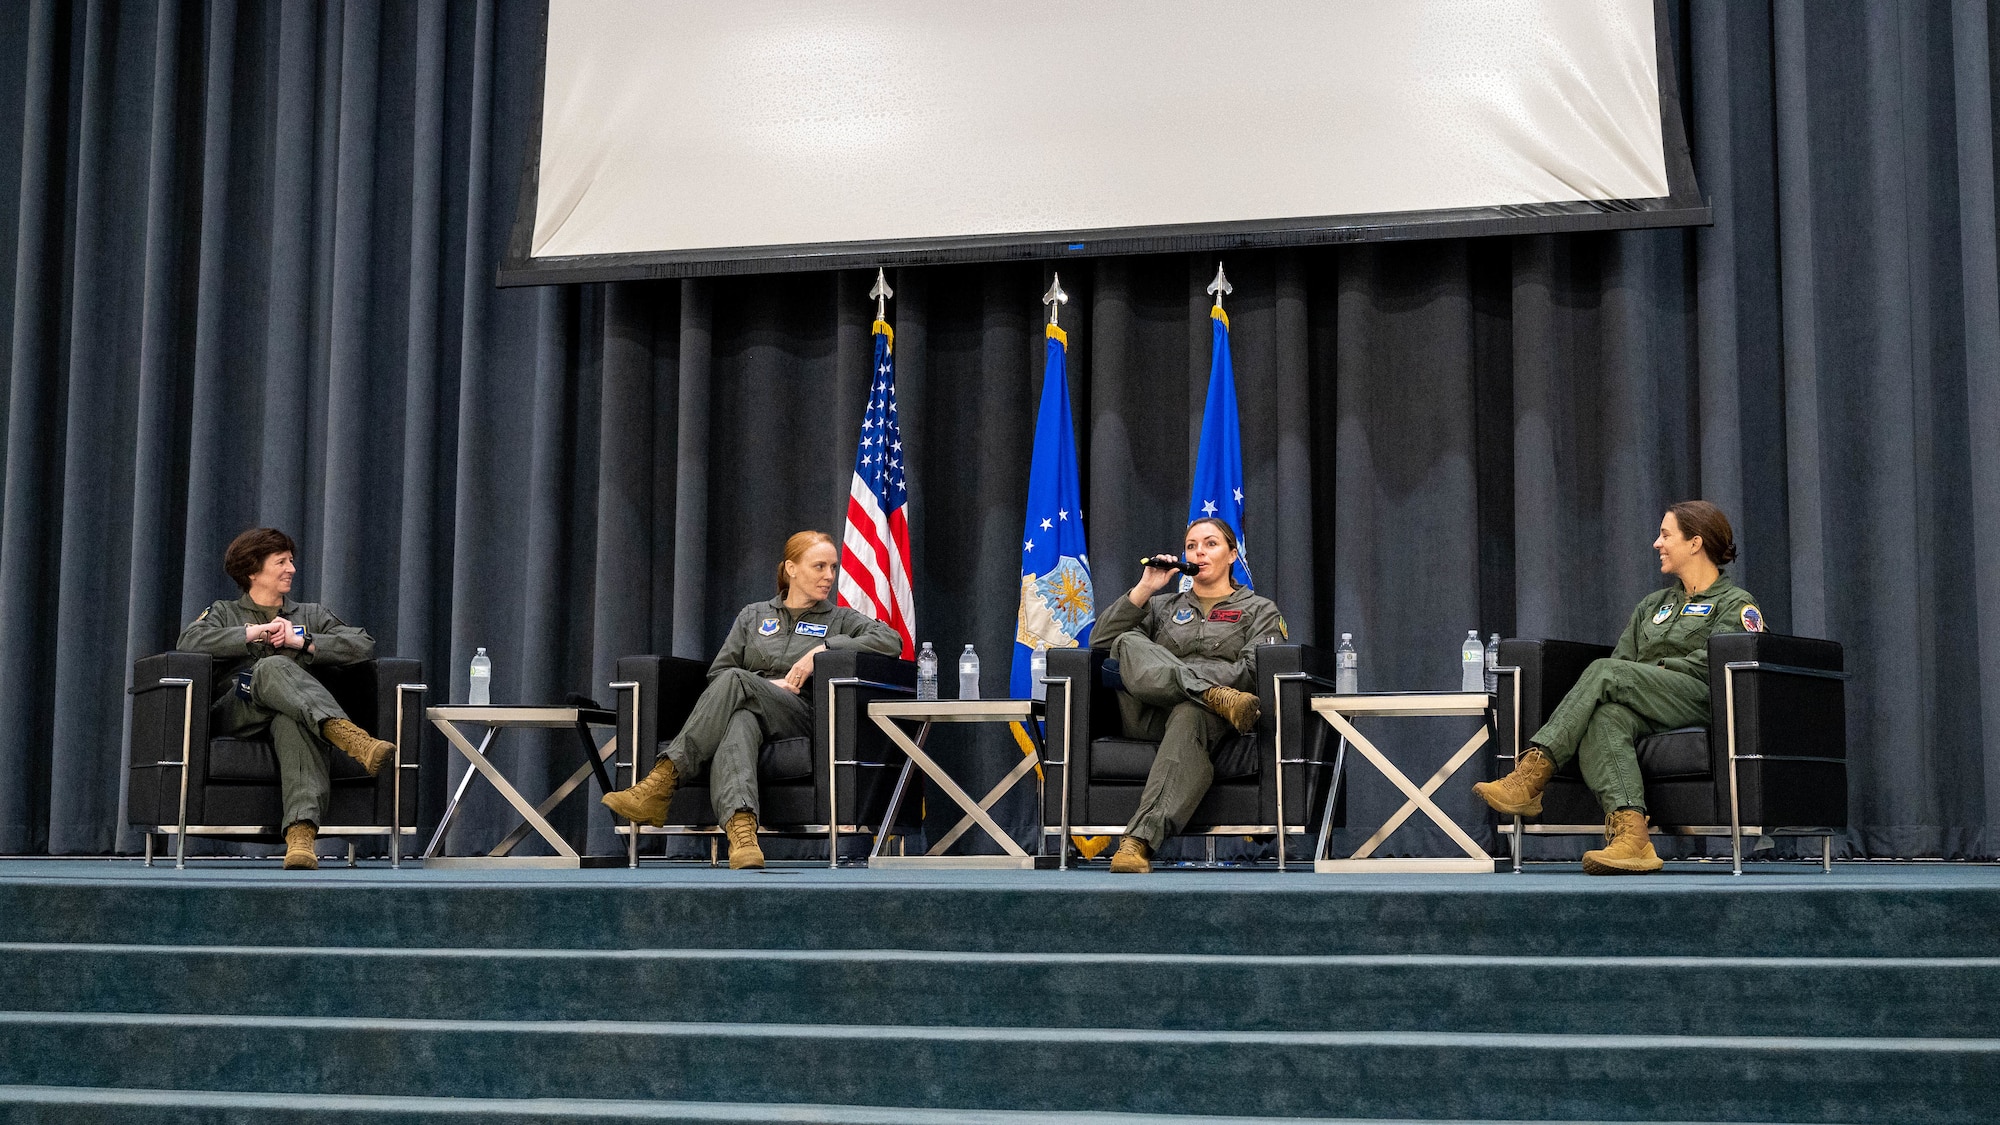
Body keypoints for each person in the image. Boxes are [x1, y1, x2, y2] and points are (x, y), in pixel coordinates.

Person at [1474, 500, 1764, 875]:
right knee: (1605, 717)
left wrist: (1649, 671)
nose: (1656, 544)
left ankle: (1532, 774)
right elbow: (1622, 660)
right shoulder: (1651, 606)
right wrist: (1635, 676)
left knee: (1605, 674)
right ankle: (1633, 837)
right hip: (1643, 699)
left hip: (1699, 698)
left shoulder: (1736, 604)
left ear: (1695, 543)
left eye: (1665, 535)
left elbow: (1716, 666)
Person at [602, 530, 902, 868]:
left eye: (833, 567)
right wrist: (767, 684)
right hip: (753, 704)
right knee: (739, 719)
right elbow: (718, 675)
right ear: (791, 568)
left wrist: (823, 649)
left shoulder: (840, 619)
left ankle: (662, 780)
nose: (829, 576)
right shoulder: (754, 616)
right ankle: (742, 835)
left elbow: (890, 640)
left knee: (736, 684)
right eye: (819, 566)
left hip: (801, 714)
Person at [176, 528, 394, 871]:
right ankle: (346, 735)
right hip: (238, 710)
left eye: (291, 560)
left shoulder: (310, 614)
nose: (291, 568)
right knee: (269, 667)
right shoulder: (224, 611)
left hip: (295, 715)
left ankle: (301, 838)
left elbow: (362, 644)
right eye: (281, 562)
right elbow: (189, 642)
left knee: (290, 719)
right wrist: (251, 634)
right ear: (252, 571)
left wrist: (303, 642)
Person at [1092, 517, 1286, 873]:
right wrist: (1146, 587)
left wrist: (1188, 688)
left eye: (1211, 544)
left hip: (1214, 721)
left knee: (1190, 713)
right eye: (1192, 545)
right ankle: (1209, 694)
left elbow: (1251, 672)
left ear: (1232, 554)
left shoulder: (1259, 610)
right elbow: (1101, 642)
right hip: (1150, 712)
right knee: (1127, 640)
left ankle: (1137, 842)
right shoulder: (1162, 606)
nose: (1199, 551)